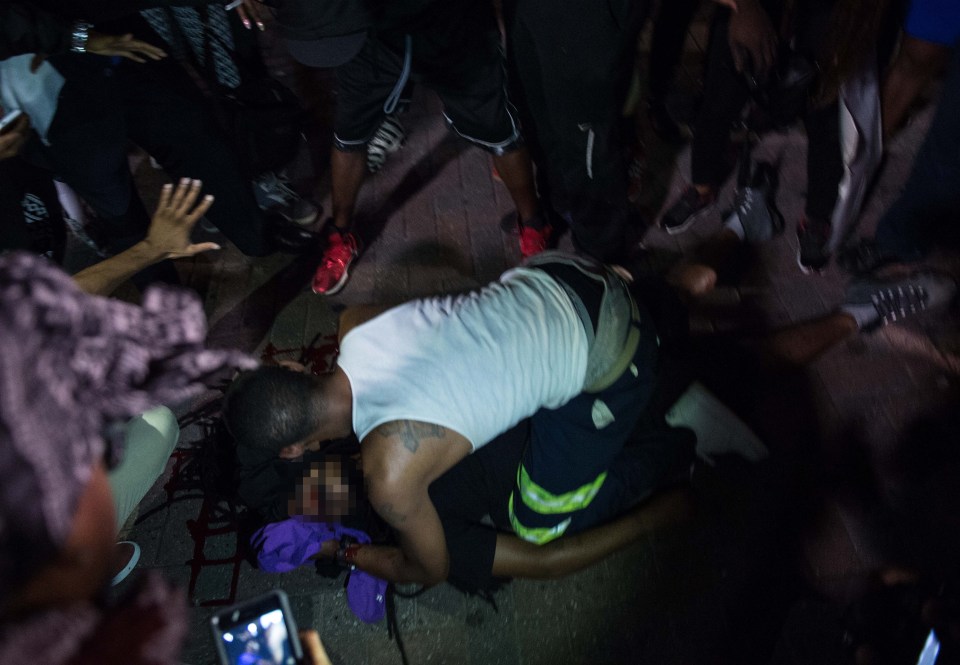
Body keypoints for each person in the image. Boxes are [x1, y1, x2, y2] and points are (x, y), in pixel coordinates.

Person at [224, 249, 664, 585]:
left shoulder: (389, 474)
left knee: (535, 526)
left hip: (611, 351)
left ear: (294, 449)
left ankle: (667, 456)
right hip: (559, 273)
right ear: (294, 367)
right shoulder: (354, 323)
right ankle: (655, 294)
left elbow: (428, 571)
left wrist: (340, 552)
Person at [271, 0, 543, 295]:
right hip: (370, 35)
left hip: (451, 28)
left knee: (496, 128)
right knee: (350, 133)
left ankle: (534, 224)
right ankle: (341, 233)